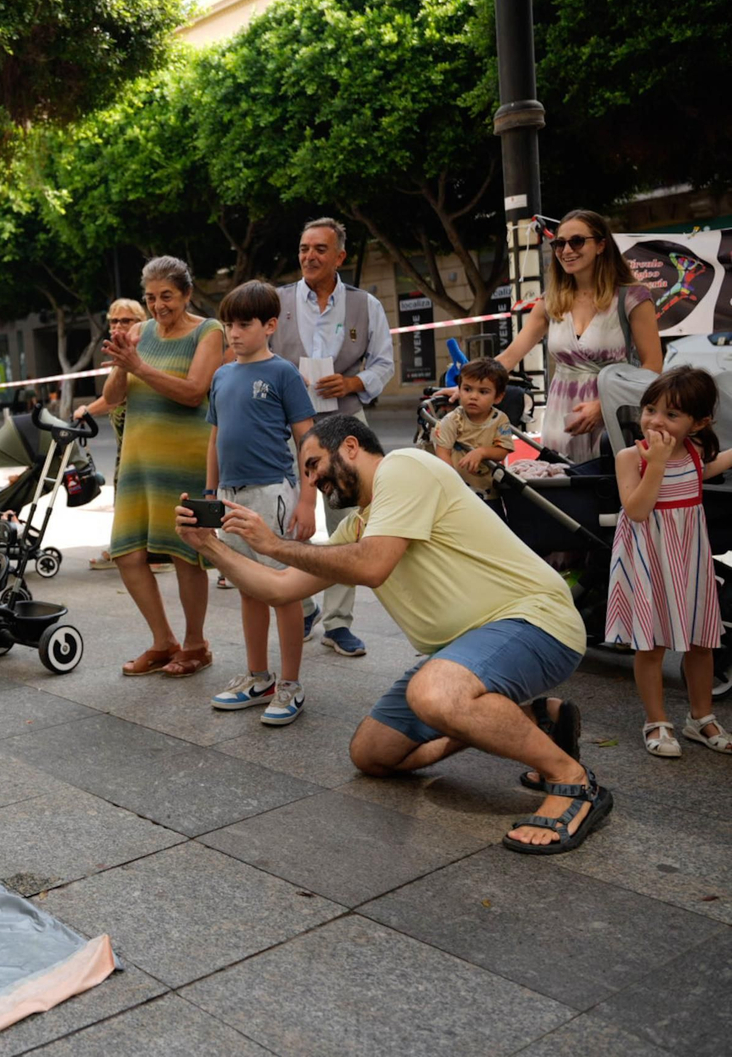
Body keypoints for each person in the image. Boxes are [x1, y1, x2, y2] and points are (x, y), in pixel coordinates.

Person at [182, 414, 609, 855]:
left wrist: (272, 543)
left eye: (313, 465)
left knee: (435, 693)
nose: (311, 481)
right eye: (304, 474)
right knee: (374, 754)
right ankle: (536, 720)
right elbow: (279, 588)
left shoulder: (404, 468)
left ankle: (572, 780)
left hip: (535, 621)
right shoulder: (359, 525)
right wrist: (210, 547)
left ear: (350, 447)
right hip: (463, 650)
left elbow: (372, 565)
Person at [269, 217, 396, 658]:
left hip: (345, 423)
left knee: (348, 522)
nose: (309, 256)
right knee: (289, 517)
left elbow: (384, 363)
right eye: (304, 248)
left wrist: (354, 383)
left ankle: (339, 623)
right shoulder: (279, 301)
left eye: (320, 249)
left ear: (340, 256)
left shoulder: (365, 304)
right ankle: (302, 603)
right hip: (288, 424)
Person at [102, 257, 226, 677]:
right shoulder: (140, 332)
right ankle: (163, 640)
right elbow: (115, 396)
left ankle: (196, 645)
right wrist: (123, 363)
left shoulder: (209, 332)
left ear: (187, 294)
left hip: (186, 461)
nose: (158, 306)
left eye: (167, 296)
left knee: (186, 553)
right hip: (138, 462)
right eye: (151, 298)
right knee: (127, 552)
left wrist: (140, 366)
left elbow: (194, 392)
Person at [203, 282, 319, 725]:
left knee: (282, 592)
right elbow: (214, 439)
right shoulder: (221, 375)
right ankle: (259, 676)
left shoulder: (283, 373)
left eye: (244, 324)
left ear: (270, 325)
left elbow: (307, 439)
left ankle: (290, 683)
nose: (234, 332)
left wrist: (307, 501)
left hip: (272, 492)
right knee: (249, 588)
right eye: (229, 324)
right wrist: (210, 494)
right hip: (230, 498)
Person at [606, 368, 732, 757]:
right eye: (650, 409)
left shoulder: (695, 454)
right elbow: (638, 510)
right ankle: (656, 721)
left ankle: (701, 717)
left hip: (689, 561)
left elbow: (704, 471)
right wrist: (656, 463)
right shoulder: (631, 457)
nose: (656, 420)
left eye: (671, 415)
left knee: (702, 641)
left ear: (700, 422)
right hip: (649, 562)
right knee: (652, 645)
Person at [498, 209, 662, 463]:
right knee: (562, 492)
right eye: (559, 243)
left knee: (609, 493)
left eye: (576, 241)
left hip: (614, 419)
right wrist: (466, 385)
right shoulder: (551, 301)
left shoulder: (633, 297)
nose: (566, 250)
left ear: (600, 245)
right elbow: (509, 357)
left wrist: (603, 406)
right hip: (560, 420)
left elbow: (653, 368)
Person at [76, 299, 171, 573]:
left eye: (126, 321)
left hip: (148, 443)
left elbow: (115, 399)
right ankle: (123, 549)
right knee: (124, 498)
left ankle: (157, 554)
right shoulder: (119, 354)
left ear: (139, 324)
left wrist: (86, 409)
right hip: (125, 445)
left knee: (144, 500)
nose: (118, 326)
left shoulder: (144, 352)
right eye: (114, 321)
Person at [431, 359, 515, 504]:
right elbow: (442, 452)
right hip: (457, 492)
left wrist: (482, 452)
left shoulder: (500, 420)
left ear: (498, 397)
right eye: (467, 389)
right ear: (459, 389)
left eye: (483, 392)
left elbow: (503, 450)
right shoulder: (453, 420)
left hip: (490, 492)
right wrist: (452, 483)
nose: (473, 396)